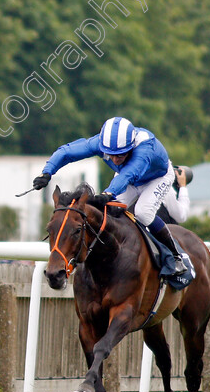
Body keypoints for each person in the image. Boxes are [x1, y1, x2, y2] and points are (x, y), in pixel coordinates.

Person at [33, 116, 186, 275]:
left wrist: (109, 193)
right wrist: (47, 172)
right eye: (110, 154)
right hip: (129, 178)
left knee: (143, 212)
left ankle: (176, 256)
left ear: (131, 146)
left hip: (157, 178)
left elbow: (127, 176)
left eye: (120, 155)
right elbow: (66, 152)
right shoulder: (100, 142)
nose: (114, 159)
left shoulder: (145, 149)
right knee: (109, 213)